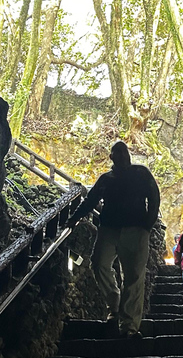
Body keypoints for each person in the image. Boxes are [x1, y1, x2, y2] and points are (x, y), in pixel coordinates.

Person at [67, 141, 160, 338]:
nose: (124, 158)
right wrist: (74, 218)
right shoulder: (106, 179)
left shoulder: (141, 173)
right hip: (109, 228)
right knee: (99, 263)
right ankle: (115, 304)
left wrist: (147, 225)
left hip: (136, 229)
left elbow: (154, 196)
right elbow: (90, 200)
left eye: (125, 154)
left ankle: (129, 326)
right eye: (119, 155)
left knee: (134, 277)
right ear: (112, 158)